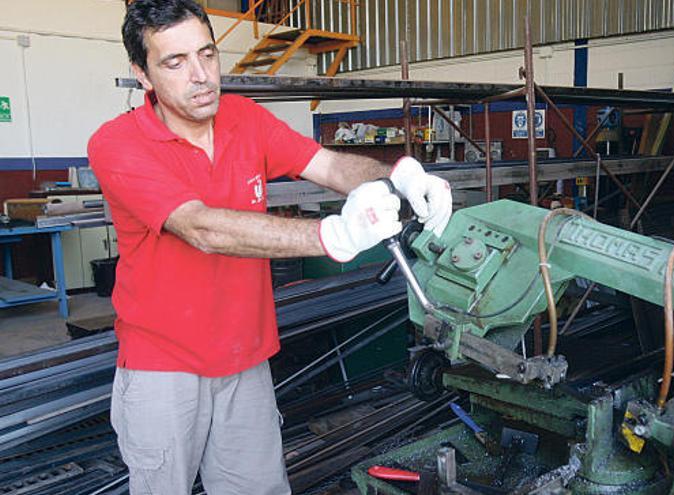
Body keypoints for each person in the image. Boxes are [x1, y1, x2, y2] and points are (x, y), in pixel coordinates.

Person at [87, 1, 452, 493]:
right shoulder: (117, 143)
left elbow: (327, 165)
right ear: (143, 74)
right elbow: (200, 228)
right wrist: (331, 235)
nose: (200, 76)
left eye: (207, 55)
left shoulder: (244, 118)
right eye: (175, 62)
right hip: (162, 368)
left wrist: (402, 176)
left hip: (246, 361)